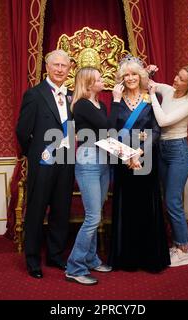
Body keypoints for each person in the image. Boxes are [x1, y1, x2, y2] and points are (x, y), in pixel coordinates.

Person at [108, 55, 170, 273]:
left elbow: (156, 130)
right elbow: (111, 132)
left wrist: (140, 152)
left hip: (146, 159)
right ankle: (127, 258)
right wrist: (127, 155)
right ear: (121, 78)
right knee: (127, 206)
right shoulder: (116, 99)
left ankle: (149, 257)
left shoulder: (149, 99)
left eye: (134, 74)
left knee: (146, 205)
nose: (131, 78)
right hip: (123, 161)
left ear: (141, 76)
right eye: (127, 74)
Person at [16, 49, 74, 279]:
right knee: (36, 210)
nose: (60, 69)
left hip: (66, 161)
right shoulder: (35, 94)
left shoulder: (73, 95)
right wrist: (36, 154)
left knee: (61, 210)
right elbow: (22, 131)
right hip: (43, 162)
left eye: (64, 66)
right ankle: (32, 260)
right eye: (55, 65)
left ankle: (55, 255)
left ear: (69, 69)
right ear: (47, 67)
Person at [147, 66, 188, 267]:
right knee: (167, 199)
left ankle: (184, 250)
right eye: (176, 75)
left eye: (180, 79)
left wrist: (152, 95)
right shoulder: (169, 90)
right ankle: (176, 244)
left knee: (173, 201)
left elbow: (163, 121)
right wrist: (148, 72)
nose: (174, 79)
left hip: (178, 152)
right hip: (162, 149)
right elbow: (151, 84)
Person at [65, 67, 112, 286]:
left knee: (97, 214)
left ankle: (91, 258)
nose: (104, 81)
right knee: (93, 217)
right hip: (88, 159)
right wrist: (119, 100)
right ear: (89, 83)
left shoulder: (101, 104)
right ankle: (74, 267)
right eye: (100, 78)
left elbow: (106, 134)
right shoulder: (82, 104)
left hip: (103, 160)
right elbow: (106, 127)